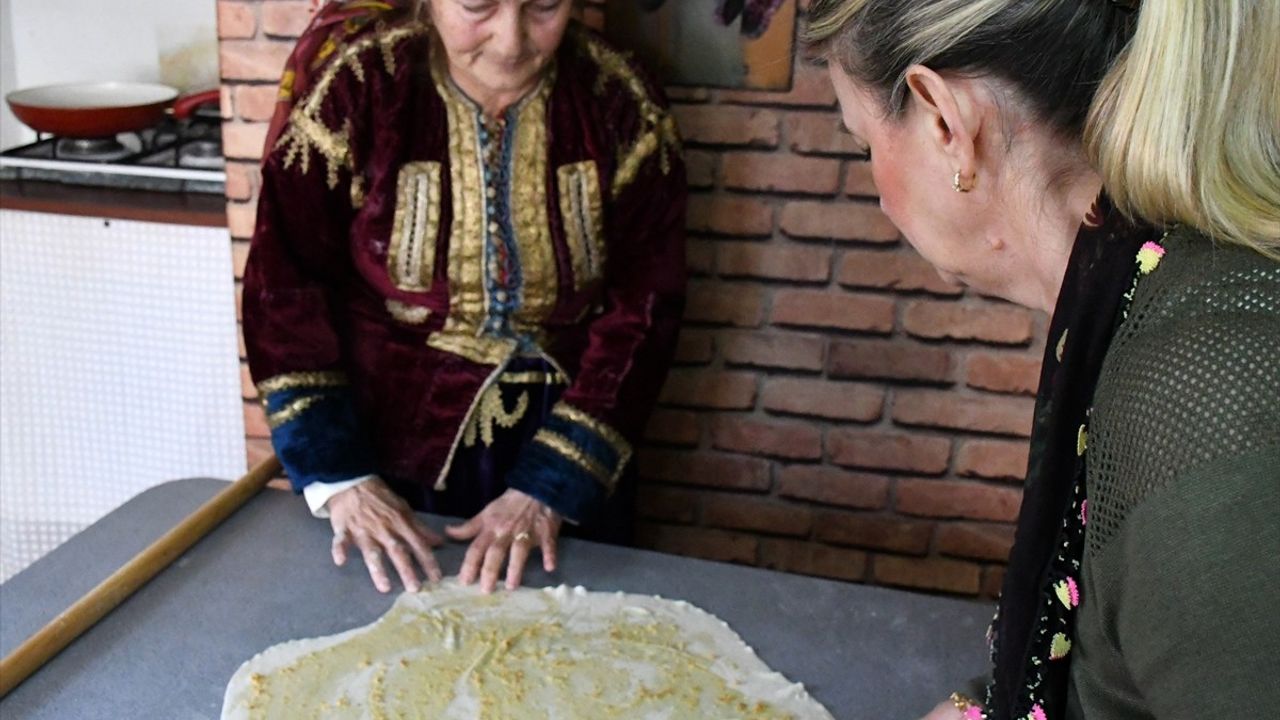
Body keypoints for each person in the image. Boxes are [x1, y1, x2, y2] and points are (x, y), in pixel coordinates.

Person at [803, 1, 1279, 718]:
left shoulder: (1208, 394)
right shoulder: (1134, 297)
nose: (876, 186)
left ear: (945, 124)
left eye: (860, 138)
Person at [243, 0, 686, 597]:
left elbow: (646, 307)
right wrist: (340, 478)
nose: (510, 41)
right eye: (478, 5)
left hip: (572, 453)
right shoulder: (357, 86)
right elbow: (284, 284)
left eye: (544, 7)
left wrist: (553, 485)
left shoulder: (620, 101)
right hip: (391, 461)